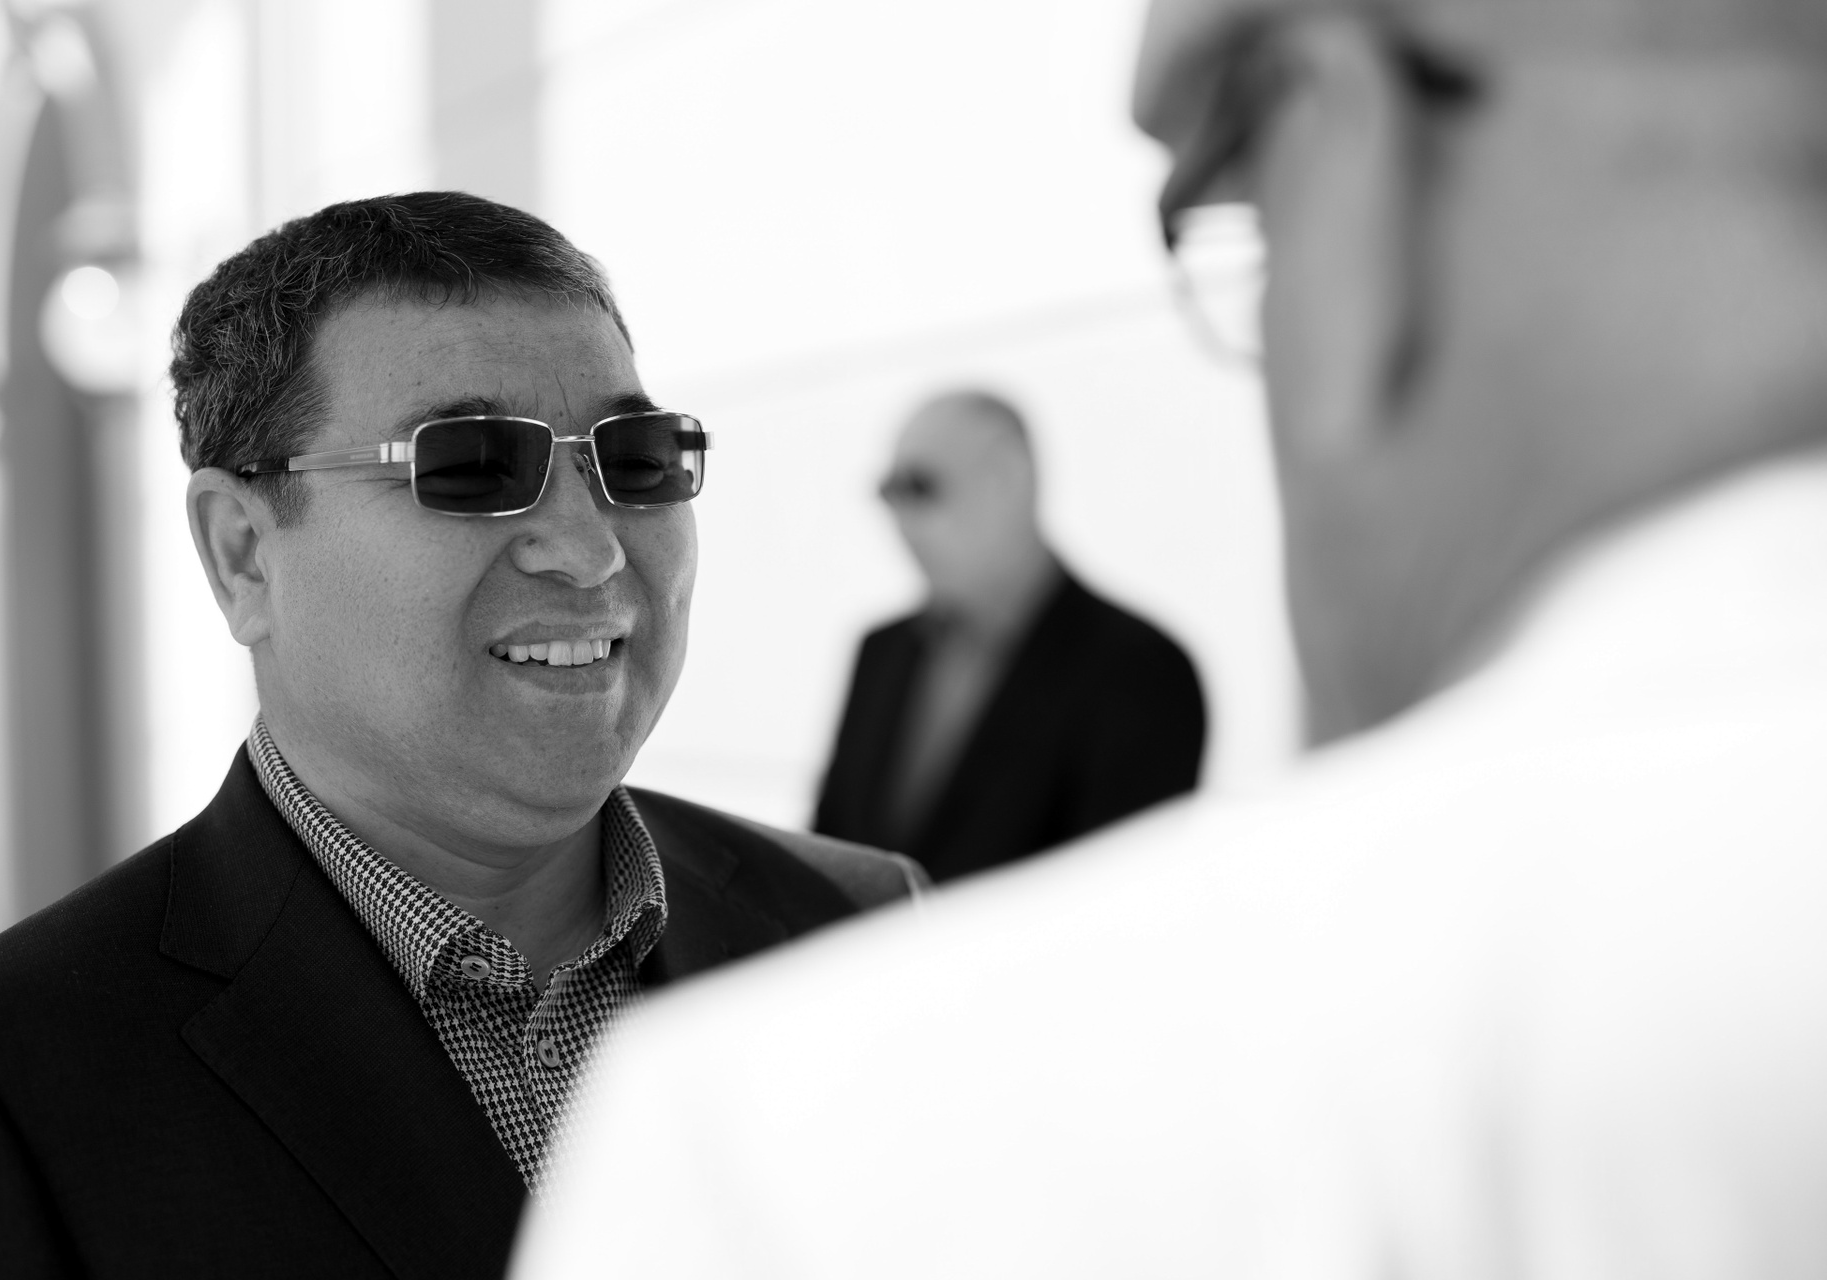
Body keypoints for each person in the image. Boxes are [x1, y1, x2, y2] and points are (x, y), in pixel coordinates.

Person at [515, 0, 1827, 1275]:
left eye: (1239, 209)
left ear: (1345, 140)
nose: (896, 516)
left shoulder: (798, 1160)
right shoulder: (885, 665)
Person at [0, 192, 921, 1280]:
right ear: (243, 553)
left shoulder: (861, 932)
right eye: (474, 465)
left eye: (636, 458)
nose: (588, 550)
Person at [814, 390, 1207, 881]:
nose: (901, 519)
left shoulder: (1141, 670)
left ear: (1008, 479)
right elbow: (823, 861)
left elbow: (1123, 896)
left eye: (920, 486)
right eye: (888, 492)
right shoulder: (881, 652)